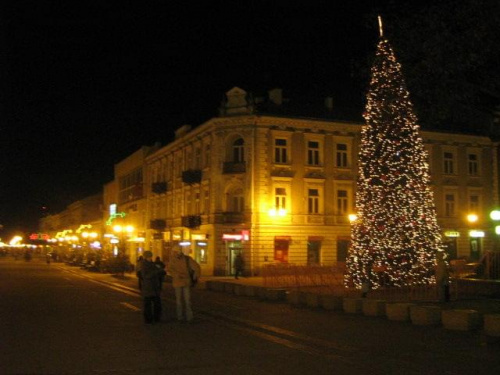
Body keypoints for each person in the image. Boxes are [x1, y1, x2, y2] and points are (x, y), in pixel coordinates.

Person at [167, 248, 201, 323]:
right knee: (180, 301)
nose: (175, 253)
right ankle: (181, 316)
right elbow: (169, 269)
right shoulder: (173, 260)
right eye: (174, 252)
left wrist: (195, 275)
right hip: (178, 282)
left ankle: (187, 316)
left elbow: (196, 267)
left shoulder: (187, 259)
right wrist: (175, 275)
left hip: (185, 281)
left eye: (176, 252)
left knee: (186, 300)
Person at [141, 251, 165, 324]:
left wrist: (161, 270)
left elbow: (161, 272)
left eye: (151, 256)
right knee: (148, 305)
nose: (150, 258)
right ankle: (148, 319)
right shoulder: (144, 265)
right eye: (149, 257)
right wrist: (156, 271)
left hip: (155, 287)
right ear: (145, 257)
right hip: (148, 287)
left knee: (157, 304)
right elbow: (146, 276)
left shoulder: (153, 264)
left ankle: (156, 318)